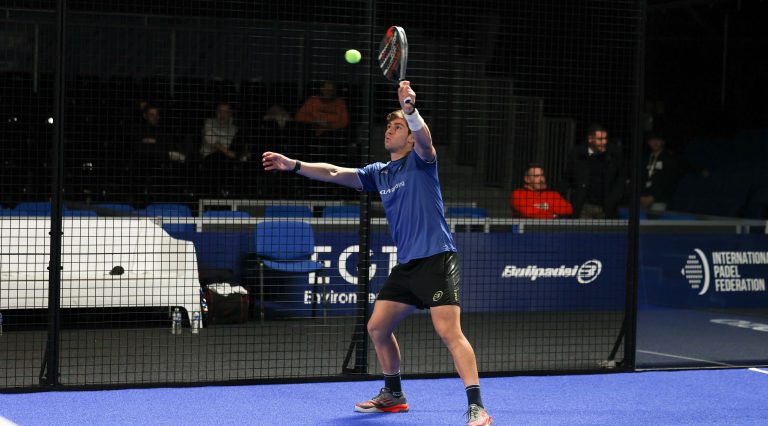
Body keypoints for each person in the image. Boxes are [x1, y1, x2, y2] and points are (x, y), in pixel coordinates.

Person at [262, 81, 492, 426]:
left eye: (397, 127)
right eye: (388, 126)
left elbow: (426, 140)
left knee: (449, 332)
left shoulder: (422, 161)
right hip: (407, 265)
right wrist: (293, 164)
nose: (389, 130)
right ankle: (394, 394)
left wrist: (410, 111)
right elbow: (335, 173)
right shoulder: (379, 174)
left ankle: (477, 407)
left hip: (436, 259)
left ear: (410, 137)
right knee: (377, 327)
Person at [561, 124, 625, 219]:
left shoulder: (613, 155)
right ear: (590, 139)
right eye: (600, 139)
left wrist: (613, 200)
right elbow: (567, 179)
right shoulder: (577, 155)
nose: (604, 142)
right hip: (584, 207)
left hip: (606, 207)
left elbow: (620, 180)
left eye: (605, 138)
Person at [640, 133, 680, 211]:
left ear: (663, 142)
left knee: (655, 213)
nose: (655, 142)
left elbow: (668, 181)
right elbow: (640, 178)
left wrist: (653, 197)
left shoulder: (669, 159)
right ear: (648, 142)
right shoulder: (644, 159)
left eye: (658, 139)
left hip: (660, 200)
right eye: (652, 140)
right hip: (642, 198)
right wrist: (641, 196)